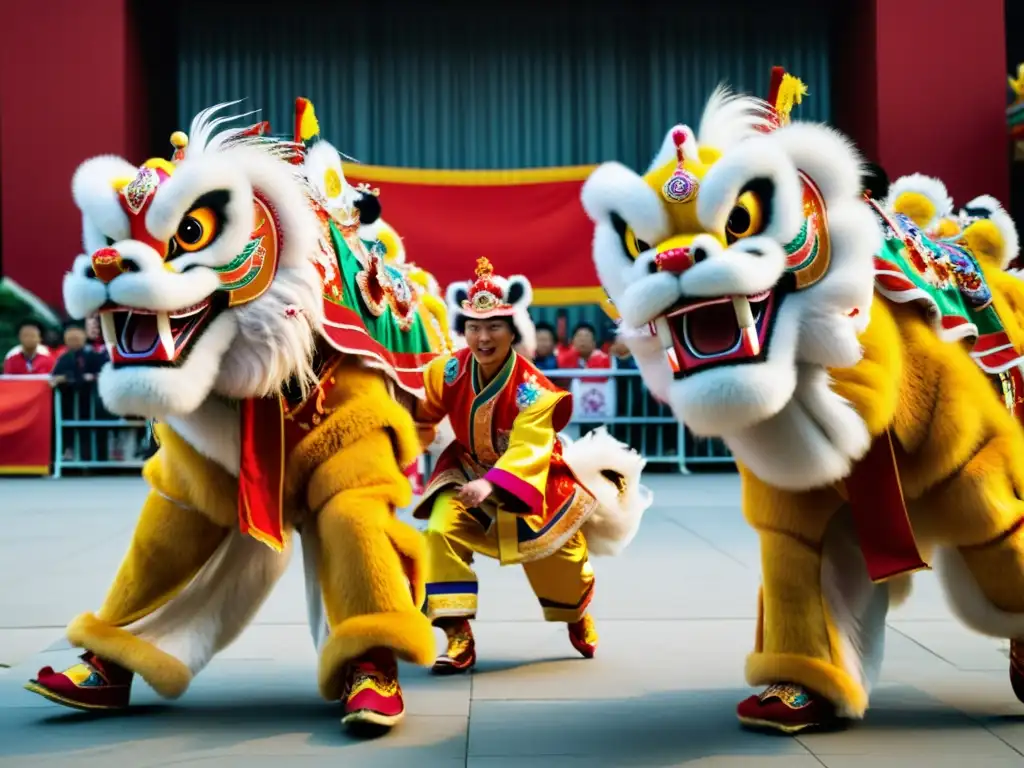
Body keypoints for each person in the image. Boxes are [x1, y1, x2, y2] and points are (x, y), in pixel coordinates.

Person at [412, 258, 604, 674]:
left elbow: (528, 447)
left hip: (531, 485)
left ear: (513, 331)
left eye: (494, 326)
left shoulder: (534, 389)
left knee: (562, 566)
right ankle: (457, 633)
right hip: (465, 473)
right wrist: (403, 438)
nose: (483, 338)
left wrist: (494, 484)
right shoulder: (448, 370)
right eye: (474, 327)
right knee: (440, 532)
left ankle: (575, 613)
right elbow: (419, 409)